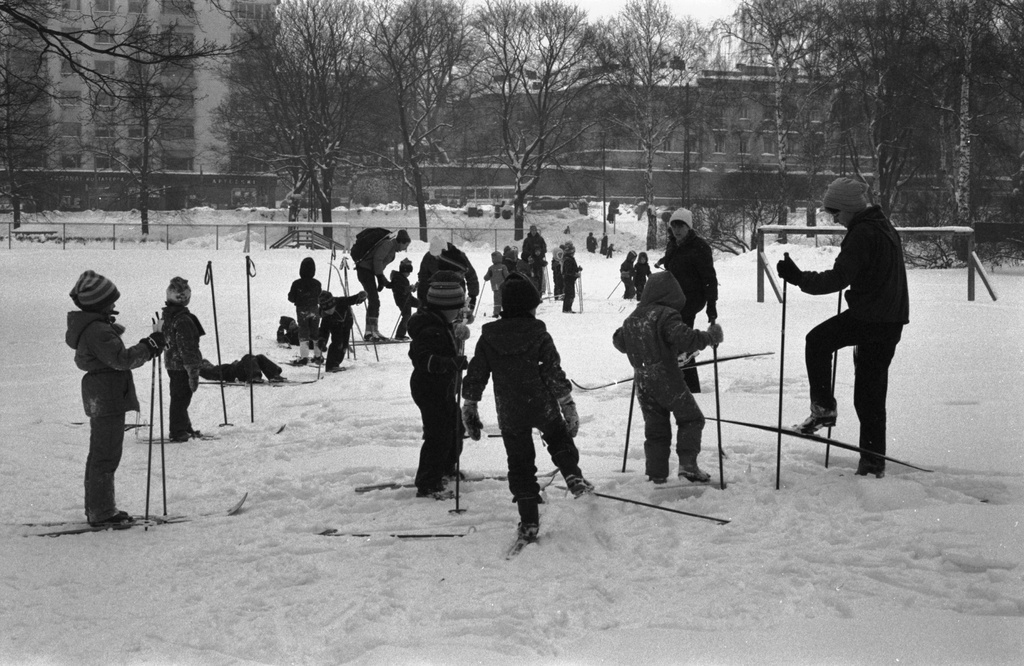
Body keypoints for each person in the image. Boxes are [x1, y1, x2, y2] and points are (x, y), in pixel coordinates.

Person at [776, 177, 909, 478]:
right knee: (870, 395)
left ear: (849, 208)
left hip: (872, 318)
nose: (834, 219)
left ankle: (823, 410)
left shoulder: (862, 232)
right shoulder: (882, 225)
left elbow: (838, 278)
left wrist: (798, 278)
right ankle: (872, 463)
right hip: (890, 319)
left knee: (817, 341)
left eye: (835, 212)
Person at [461, 275, 594, 542]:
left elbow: (476, 374)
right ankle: (572, 474)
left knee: (520, 463)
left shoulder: (489, 338)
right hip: (541, 403)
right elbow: (553, 373)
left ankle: (529, 519)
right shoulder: (539, 335)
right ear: (529, 307)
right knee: (559, 439)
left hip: (511, 410)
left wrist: (470, 405)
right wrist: (567, 404)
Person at [67, 271, 165, 526]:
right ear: (100, 304)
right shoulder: (97, 331)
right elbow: (122, 360)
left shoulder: (96, 327)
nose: (114, 305)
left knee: (100, 454)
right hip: (106, 397)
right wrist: (150, 346)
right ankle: (101, 512)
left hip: (103, 394)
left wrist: (149, 345)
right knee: (106, 456)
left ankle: (98, 508)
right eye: (111, 301)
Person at [612, 272, 724, 484]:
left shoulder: (633, 318)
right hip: (667, 379)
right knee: (691, 419)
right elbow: (685, 338)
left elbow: (620, 342)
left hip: (642, 382)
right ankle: (688, 466)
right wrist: (710, 337)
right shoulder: (665, 315)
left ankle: (657, 474)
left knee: (656, 429)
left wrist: (632, 330)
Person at [407, 271, 473, 499]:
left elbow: (445, 340)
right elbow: (423, 359)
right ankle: (428, 482)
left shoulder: (439, 322)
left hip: (443, 389)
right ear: (446, 307)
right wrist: (450, 363)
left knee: (455, 429)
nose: (459, 313)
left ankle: (446, 468)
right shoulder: (429, 329)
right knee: (438, 435)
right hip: (429, 389)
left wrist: (457, 332)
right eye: (457, 309)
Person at [658, 207, 719, 393]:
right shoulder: (673, 245)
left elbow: (709, 278)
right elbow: (673, 261)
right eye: (674, 226)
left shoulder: (699, 247)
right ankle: (678, 384)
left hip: (690, 301)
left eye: (681, 226)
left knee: (682, 342)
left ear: (689, 227)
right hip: (672, 300)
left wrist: (711, 306)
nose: (677, 230)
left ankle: (691, 388)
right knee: (673, 343)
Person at [162, 276, 206, 443]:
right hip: (181, 365)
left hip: (173, 363)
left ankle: (184, 426)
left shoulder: (168, 315)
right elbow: (187, 347)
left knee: (180, 397)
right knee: (181, 398)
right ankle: (178, 430)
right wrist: (192, 369)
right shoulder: (183, 319)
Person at [356, 228, 411, 341]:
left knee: (375, 301)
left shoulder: (391, 248)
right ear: (401, 242)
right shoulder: (388, 244)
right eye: (406, 245)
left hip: (368, 272)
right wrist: (380, 277)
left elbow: (379, 265)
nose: (405, 248)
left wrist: (385, 282)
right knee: (374, 301)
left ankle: (374, 330)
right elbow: (377, 260)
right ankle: (369, 332)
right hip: (364, 271)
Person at [417, 236, 480, 323]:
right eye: (434, 256)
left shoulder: (458, 257)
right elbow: (423, 278)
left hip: (456, 297)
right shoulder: (428, 257)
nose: (436, 258)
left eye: (438, 255)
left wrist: (473, 296)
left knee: (456, 323)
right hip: (436, 297)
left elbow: (471, 276)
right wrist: (423, 301)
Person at [318, 290, 368, 372]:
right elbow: (324, 330)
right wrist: (322, 341)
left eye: (330, 309)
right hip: (335, 326)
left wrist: (360, 297)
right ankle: (331, 365)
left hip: (346, 324)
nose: (329, 312)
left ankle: (336, 363)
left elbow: (351, 300)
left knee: (344, 345)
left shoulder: (341, 301)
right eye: (327, 311)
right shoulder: (326, 316)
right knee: (337, 343)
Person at [287, 257, 323, 365]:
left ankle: (304, 357)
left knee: (303, 332)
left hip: (302, 309)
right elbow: (319, 297)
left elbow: (291, 298)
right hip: (314, 309)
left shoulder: (296, 283)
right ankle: (318, 356)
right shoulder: (317, 283)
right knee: (315, 332)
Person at [200, 354, 285, 384]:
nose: (208, 365)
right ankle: (254, 376)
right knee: (248, 357)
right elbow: (203, 372)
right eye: (205, 364)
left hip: (237, 370)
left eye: (207, 363)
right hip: (234, 374)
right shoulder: (211, 371)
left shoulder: (216, 368)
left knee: (259, 357)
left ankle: (274, 375)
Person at [389, 258, 418, 340]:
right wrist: (409, 288)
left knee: (421, 305)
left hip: (408, 298)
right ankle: (400, 334)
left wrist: (414, 287)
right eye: (408, 272)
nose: (409, 274)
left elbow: (407, 290)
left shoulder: (402, 278)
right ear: (404, 271)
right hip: (402, 300)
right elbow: (400, 289)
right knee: (406, 316)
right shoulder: (397, 278)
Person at [483, 251, 510, 318]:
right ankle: (506, 311)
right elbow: (507, 276)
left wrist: (486, 277)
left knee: (497, 300)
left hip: (495, 286)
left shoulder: (491, 268)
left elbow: (486, 277)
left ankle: (496, 313)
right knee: (505, 298)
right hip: (503, 286)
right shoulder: (503, 267)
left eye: (493, 258)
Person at [521, 224, 547, 291]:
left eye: (534, 230)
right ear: (530, 231)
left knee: (540, 277)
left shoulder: (540, 239)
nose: (533, 232)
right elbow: (524, 250)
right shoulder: (527, 240)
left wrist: (539, 253)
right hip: (530, 262)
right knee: (531, 278)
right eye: (532, 230)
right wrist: (530, 255)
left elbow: (544, 249)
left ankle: (539, 291)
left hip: (539, 261)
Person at [560, 242, 581, 313]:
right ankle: (566, 309)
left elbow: (572, 268)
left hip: (570, 279)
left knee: (571, 294)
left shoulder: (570, 259)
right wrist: (575, 274)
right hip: (568, 279)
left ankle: (568, 308)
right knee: (569, 294)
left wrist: (577, 269)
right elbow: (568, 271)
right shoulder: (568, 259)